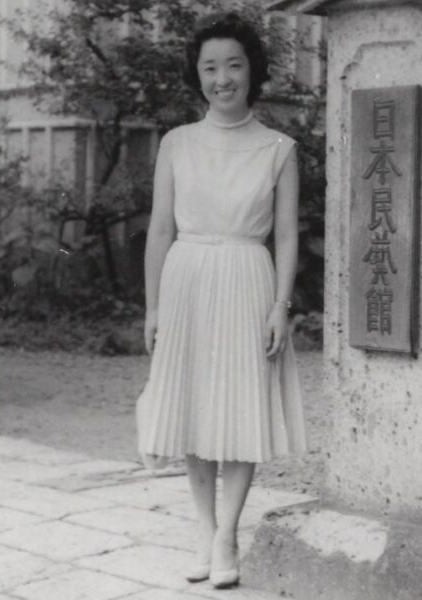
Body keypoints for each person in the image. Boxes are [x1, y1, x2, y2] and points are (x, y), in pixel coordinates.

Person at [136, 12, 307, 590]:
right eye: (210, 67)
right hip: (185, 277)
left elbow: (287, 236)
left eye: (233, 65)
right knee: (191, 405)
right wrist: (153, 307)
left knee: (239, 406)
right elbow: (160, 229)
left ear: (252, 71)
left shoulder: (279, 148)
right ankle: (205, 530)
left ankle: (228, 533)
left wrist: (280, 306)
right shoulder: (176, 143)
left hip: (247, 275)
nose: (222, 78)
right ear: (198, 75)